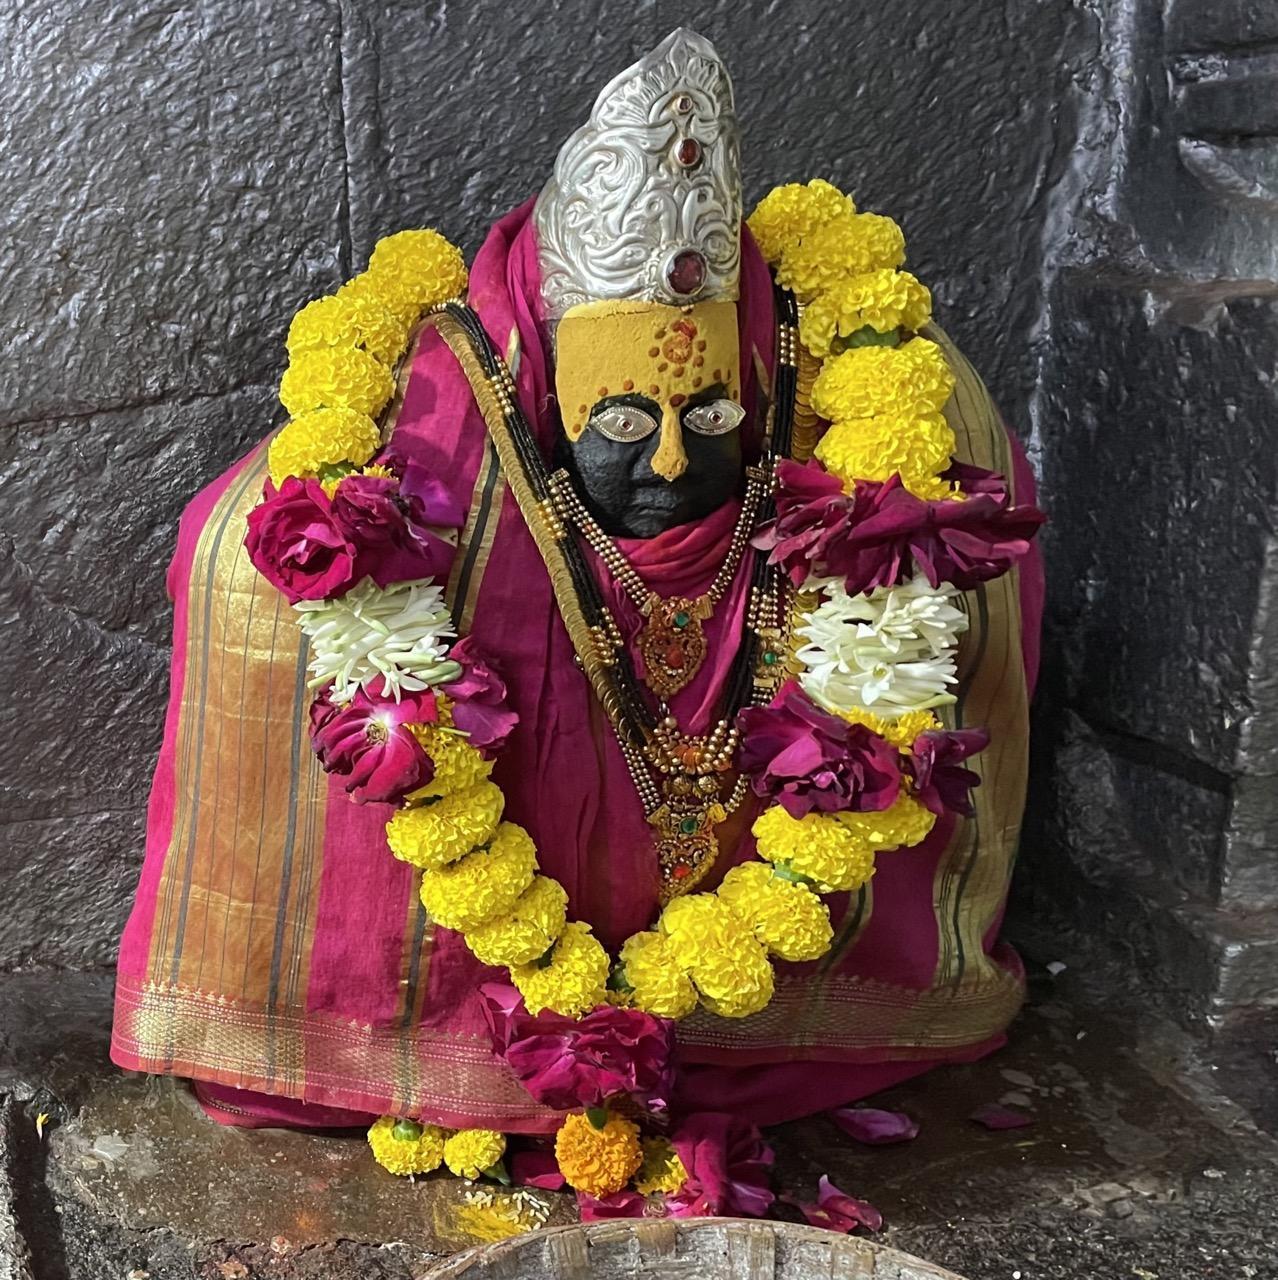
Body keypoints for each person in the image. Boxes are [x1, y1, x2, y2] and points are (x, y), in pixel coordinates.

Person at [112, 28, 1043, 1171]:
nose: (663, 469)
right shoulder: (444, 412)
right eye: (618, 425)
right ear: (551, 388)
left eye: (707, 422)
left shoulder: (853, 378)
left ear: (753, 373)